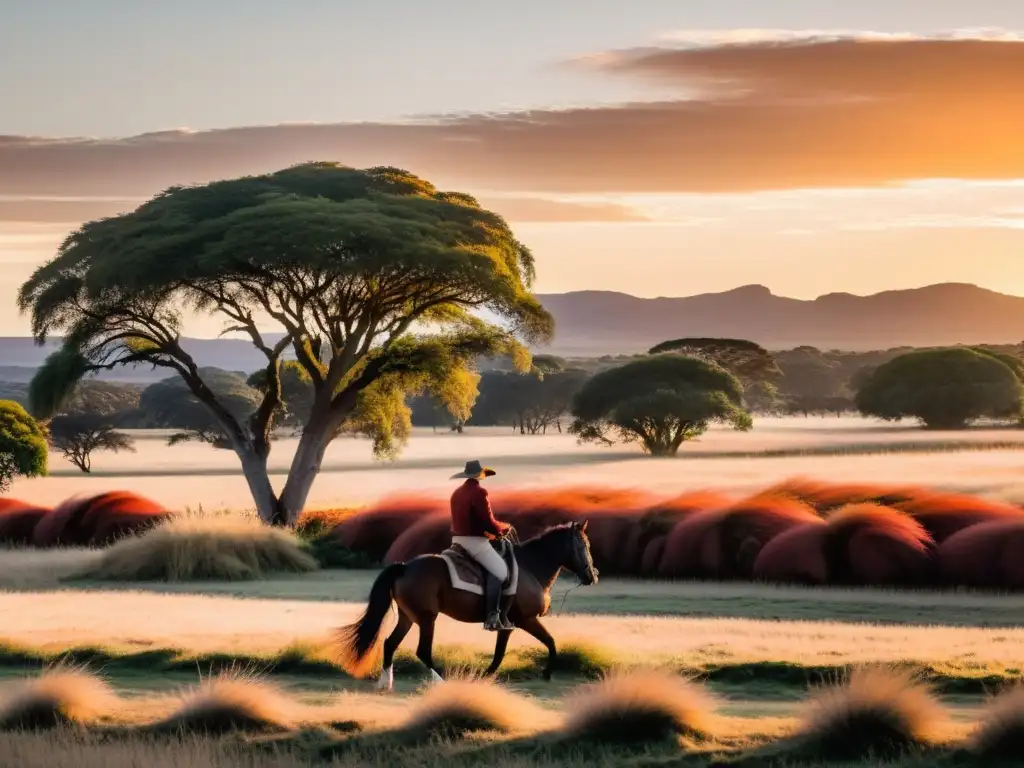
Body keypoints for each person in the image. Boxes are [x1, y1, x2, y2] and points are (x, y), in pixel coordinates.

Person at [449, 460, 514, 631]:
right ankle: (492, 616)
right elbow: (487, 521)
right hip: (475, 543)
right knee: (501, 572)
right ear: (480, 476)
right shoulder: (480, 492)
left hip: (457, 541)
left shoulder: (456, 493)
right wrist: (502, 529)